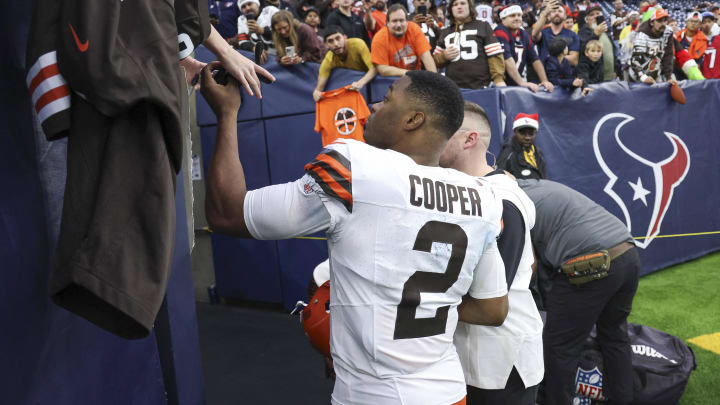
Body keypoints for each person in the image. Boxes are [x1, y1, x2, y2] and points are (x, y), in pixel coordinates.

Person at [200, 68, 509, 405]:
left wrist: (226, 113)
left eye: (388, 98)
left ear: (413, 120)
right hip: (448, 391)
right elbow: (493, 308)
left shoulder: (355, 167)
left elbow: (227, 213)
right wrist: (424, 305)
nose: (374, 105)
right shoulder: (483, 196)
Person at [440, 102, 544, 405]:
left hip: (498, 361)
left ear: (469, 139)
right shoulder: (483, 189)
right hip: (479, 353)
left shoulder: (498, 197)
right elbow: (532, 262)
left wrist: (424, 307)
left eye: (443, 133)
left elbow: (492, 305)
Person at [517, 179, 640, 405]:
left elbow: (530, 265)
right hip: (628, 253)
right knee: (614, 336)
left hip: (592, 264)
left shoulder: (512, 201)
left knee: (559, 348)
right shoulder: (539, 185)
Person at [433, 0, 505, 89]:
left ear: (470, 7)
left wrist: (498, 79)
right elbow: (434, 61)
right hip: (453, 90)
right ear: (451, 9)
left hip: (481, 87)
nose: (459, 6)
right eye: (455, 5)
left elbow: (494, 55)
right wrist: (444, 56)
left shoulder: (483, 26)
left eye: (463, 3)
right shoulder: (445, 32)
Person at [494, 4, 555, 92]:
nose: (517, 18)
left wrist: (544, 80)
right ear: (503, 19)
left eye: (519, 15)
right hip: (500, 84)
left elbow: (535, 59)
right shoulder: (500, 31)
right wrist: (521, 82)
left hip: (514, 82)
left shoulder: (523, 33)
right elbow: (507, 59)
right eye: (512, 16)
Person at [314, 26, 377, 101]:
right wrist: (316, 94)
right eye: (331, 41)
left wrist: (360, 83)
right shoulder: (329, 59)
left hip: (372, 85)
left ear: (345, 37)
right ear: (326, 45)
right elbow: (318, 89)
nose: (336, 44)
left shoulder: (358, 44)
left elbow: (373, 69)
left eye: (338, 38)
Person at [371, 4, 437, 75]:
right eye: (394, 21)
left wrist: (435, 80)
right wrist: (410, 73)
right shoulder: (380, 38)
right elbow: (382, 69)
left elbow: (426, 57)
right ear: (387, 23)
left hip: (415, 79)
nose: (398, 25)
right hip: (390, 80)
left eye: (401, 20)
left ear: (407, 22)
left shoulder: (414, 29)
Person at [628, 8, 678, 85]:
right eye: (659, 21)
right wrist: (643, 77)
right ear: (652, 23)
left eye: (665, 20)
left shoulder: (668, 32)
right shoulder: (642, 35)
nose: (663, 24)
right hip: (637, 74)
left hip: (655, 71)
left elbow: (668, 55)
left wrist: (668, 77)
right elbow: (635, 60)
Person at [496, 113, 547, 180]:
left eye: (531, 133)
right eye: (522, 133)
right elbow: (498, 179)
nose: (527, 137)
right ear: (515, 132)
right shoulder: (508, 153)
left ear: (535, 133)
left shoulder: (538, 153)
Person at [532, 0, 580, 66]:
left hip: (565, 74)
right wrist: (545, 13)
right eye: (554, 11)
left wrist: (550, 58)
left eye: (560, 11)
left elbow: (574, 60)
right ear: (548, 16)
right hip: (545, 74)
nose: (557, 13)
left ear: (565, 16)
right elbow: (534, 34)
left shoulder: (572, 35)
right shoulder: (543, 33)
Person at [578, 4, 619, 81]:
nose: (595, 16)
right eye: (592, 15)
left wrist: (616, 70)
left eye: (598, 14)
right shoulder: (583, 32)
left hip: (610, 77)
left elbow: (613, 52)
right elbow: (582, 51)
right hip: (594, 79)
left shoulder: (606, 32)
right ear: (587, 19)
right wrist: (595, 34)